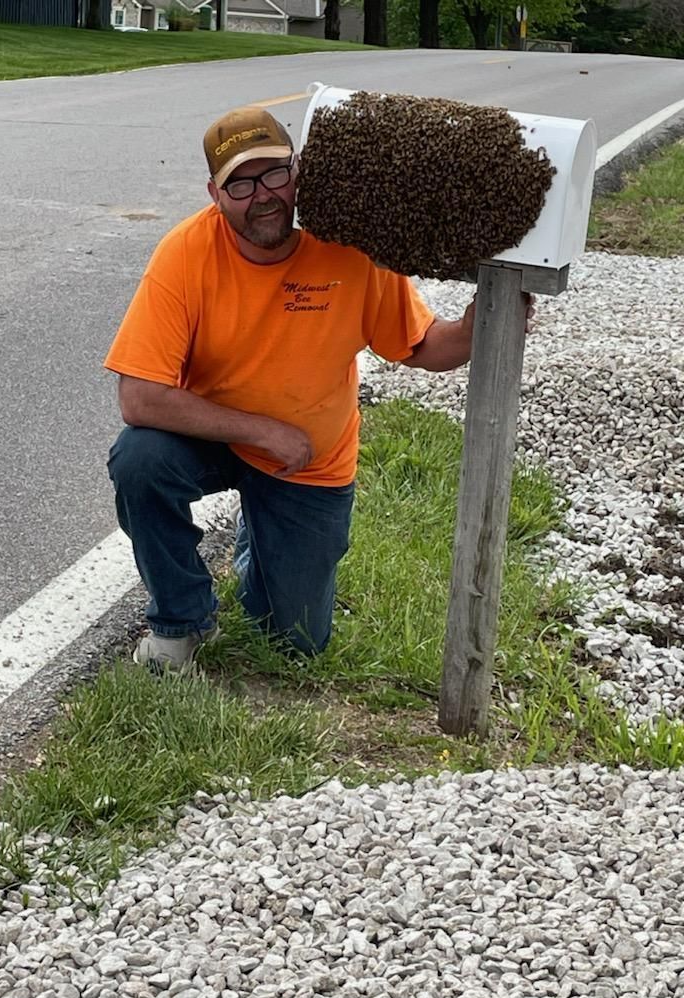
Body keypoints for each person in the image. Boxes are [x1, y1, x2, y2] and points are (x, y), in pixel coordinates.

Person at [105, 105, 530, 671]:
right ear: (215, 192)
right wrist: (263, 431)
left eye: (275, 173)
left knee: (298, 642)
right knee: (139, 459)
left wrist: (482, 324)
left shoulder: (350, 245)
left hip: (310, 462)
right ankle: (180, 621)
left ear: (299, 169)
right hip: (217, 439)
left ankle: (258, 544)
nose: (263, 195)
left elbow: (424, 347)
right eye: (241, 183)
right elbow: (140, 398)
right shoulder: (184, 253)